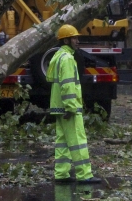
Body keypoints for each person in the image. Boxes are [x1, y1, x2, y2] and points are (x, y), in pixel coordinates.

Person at [47, 24, 101, 184]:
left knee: (62, 141)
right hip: (68, 108)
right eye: (74, 38)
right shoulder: (68, 59)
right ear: (66, 40)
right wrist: (71, 108)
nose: (77, 41)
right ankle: (84, 175)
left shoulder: (58, 56)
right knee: (78, 141)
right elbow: (68, 85)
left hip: (58, 107)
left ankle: (61, 174)